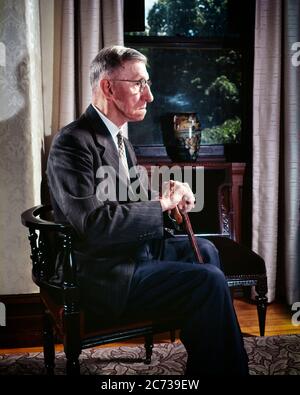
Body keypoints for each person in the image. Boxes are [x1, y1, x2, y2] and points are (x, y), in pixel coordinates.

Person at [46, 45, 249, 376]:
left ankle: (211, 363)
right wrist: (159, 206)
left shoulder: (121, 141)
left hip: (130, 254)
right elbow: (93, 224)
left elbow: (135, 206)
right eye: (139, 83)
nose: (150, 96)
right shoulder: (72, 143)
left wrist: (168, 205)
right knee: (208, 281)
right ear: (109, 87)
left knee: (207, 251)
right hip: (103, 275)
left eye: (147, 83)